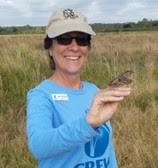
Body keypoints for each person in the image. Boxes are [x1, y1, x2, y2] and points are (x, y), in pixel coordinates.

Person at [26, 8, 131, 168]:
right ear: (50, 48)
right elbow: (39, 146)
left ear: (87, 48)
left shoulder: (94, 91)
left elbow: (108, 152)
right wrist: (87, 124)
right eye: (64, 38)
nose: (74, 47)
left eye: (82, 39)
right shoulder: (41, 95)